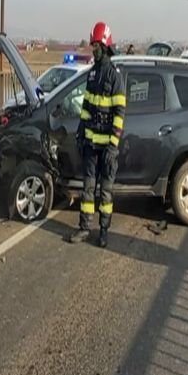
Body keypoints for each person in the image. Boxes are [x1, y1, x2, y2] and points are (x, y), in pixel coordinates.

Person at [66, 22, 126, 248]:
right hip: (91, 144)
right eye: (92, 46)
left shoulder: (114, 76)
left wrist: (113, 145)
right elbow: (86, 107)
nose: (93, 50)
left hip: (107, 147)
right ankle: (84, 228)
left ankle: (103, 231)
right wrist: (81, 132)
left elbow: (120, 113)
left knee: (106, 192)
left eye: (96, 46)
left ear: (105, 45)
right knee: (88, 189)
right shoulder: (92, 75)